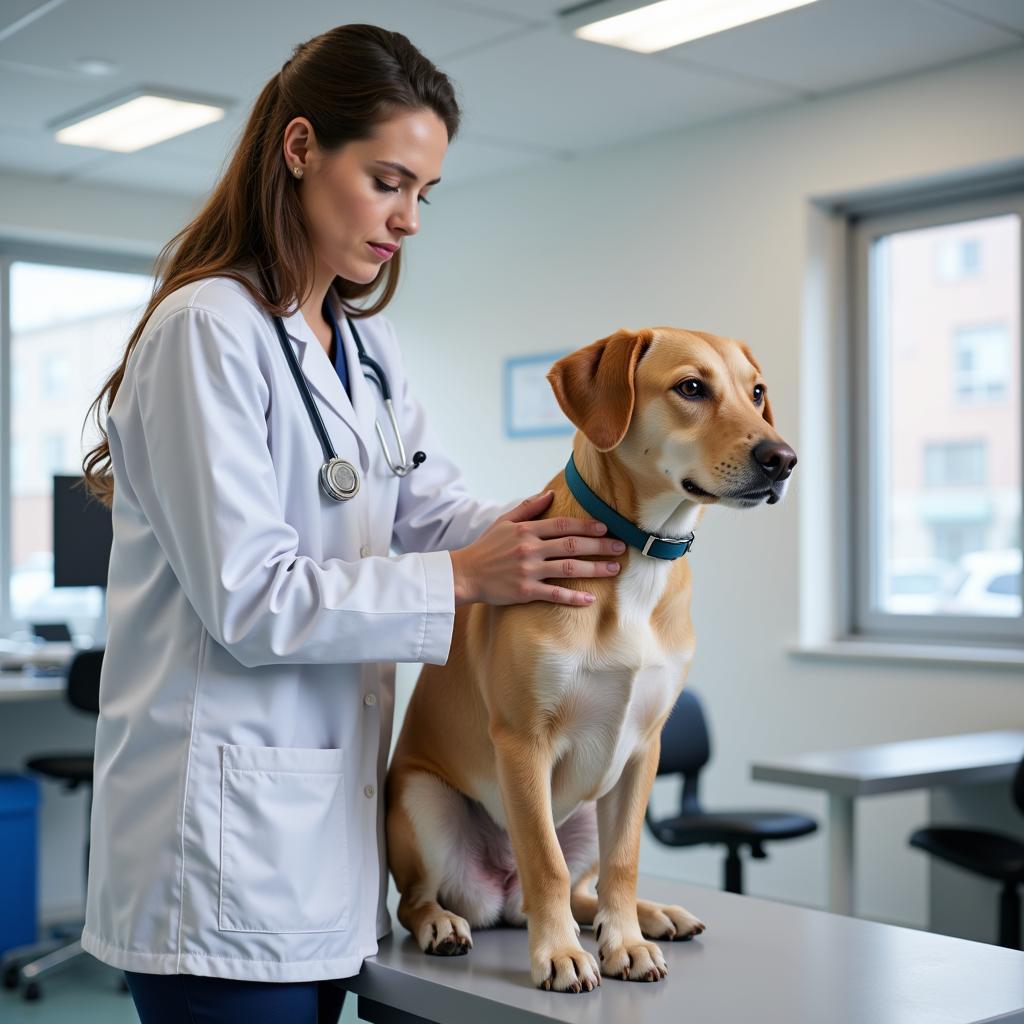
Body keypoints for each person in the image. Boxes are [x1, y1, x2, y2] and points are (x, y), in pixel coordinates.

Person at [78, 23, 624, 1024]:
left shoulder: (364, 351)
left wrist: (585, 509)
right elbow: (253, 597)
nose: (409, 219)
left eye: (424, 192)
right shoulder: (208, 330)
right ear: (298, 150)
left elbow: (430, 510)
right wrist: (465, 577)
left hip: (324, 857)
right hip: (218, 862)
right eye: (387, 180)